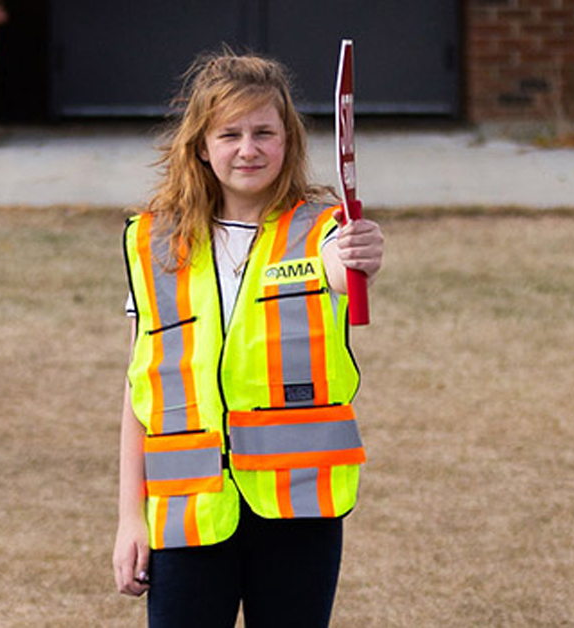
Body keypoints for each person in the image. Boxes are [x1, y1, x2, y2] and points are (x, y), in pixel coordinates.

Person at [114, 49, 385, 628]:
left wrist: (360, 252)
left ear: (288, 140)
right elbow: (140, 392)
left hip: (298, 509)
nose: (248, 148)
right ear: (201, 146)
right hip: (187, 510)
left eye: (264, 132)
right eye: (230, 133)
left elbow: (341, 267)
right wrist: (129, 520)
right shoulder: (152, 244)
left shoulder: (321, 230)